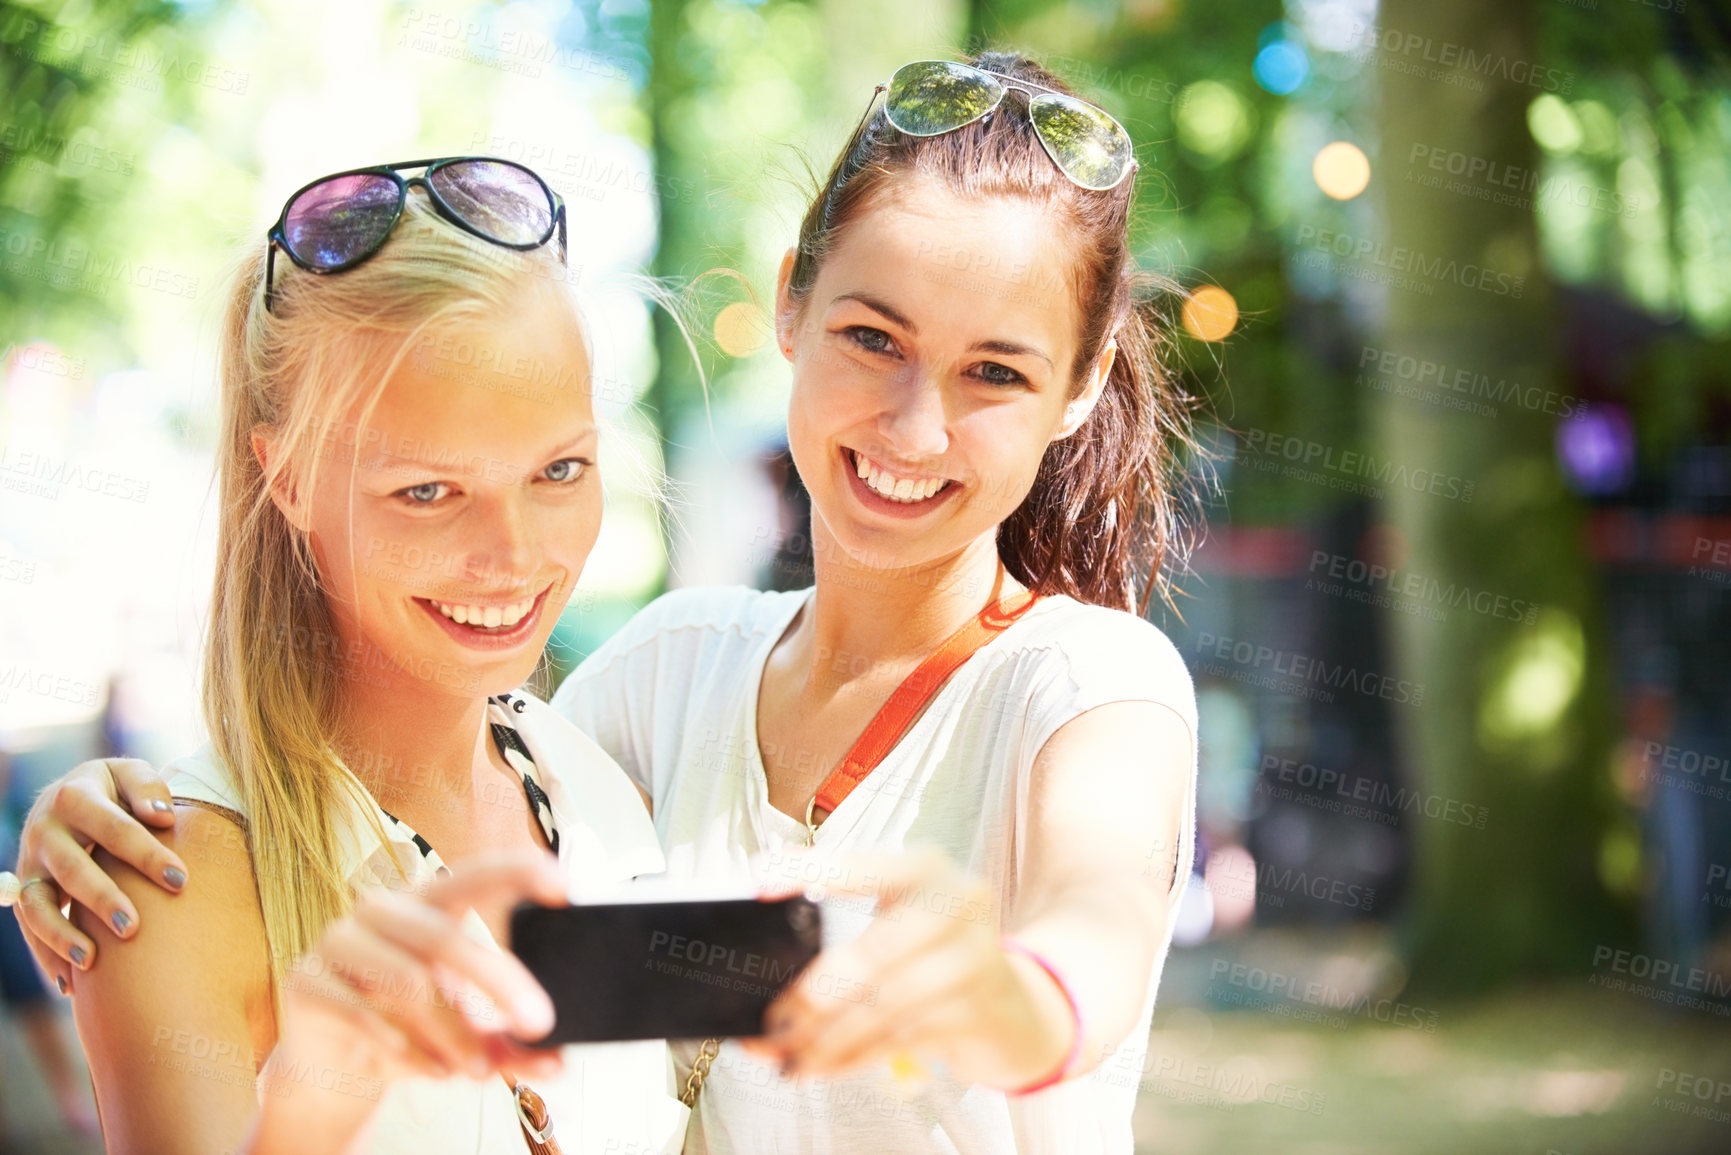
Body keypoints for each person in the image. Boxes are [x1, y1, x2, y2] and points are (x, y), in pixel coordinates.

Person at [12, 52, 1205, 1154]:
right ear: (789, 306)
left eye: (563, 471)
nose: (916, 426)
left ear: (1082, 382)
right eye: (871, 336)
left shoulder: (1093, 687)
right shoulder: (650, 689)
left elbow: (1089, 932)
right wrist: (96, 818)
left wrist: (1022, 1002)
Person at [2, 157, 690, 1154]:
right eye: (426, 491)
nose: (514, 555)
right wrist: (309, 1112)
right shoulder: (171, 882)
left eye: (558, 469)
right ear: (285, 478)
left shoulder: (599, 792)